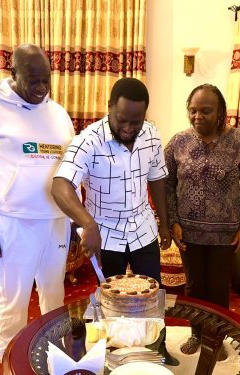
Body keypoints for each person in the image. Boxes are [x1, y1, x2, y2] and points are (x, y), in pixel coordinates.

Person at [0, 44, 75, 359]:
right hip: (13, 223)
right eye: (33, 80)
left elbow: (71, 170)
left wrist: (74, 222)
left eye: (45, 80)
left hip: (55, 222)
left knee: (54, 294)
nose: (40, 88)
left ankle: (55, 355)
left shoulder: (59, 114)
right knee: (14, 297)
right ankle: (8, 359)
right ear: (14, 75)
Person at [164, 84, 240, 354]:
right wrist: (172, 222)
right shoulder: (178, 142)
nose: (198, 116)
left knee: (218, 289)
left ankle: (216, 338)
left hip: (225, 234)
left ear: (220, 112)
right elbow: (167, 184)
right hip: (188, 232)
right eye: (193, 110)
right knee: (194, 288)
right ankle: (196, 334)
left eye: (206, 110)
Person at [51, 77, 171, 284]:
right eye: (122, 119)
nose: (128, 128)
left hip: (144, 229)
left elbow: (157, 178)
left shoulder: (151, 135)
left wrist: (164, 223)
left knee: (152, 296)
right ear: (110, 107)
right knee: (111, 304)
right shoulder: (89, 140)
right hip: (105, 236)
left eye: (136, 122)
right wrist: (88, 224)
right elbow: (60, 185)